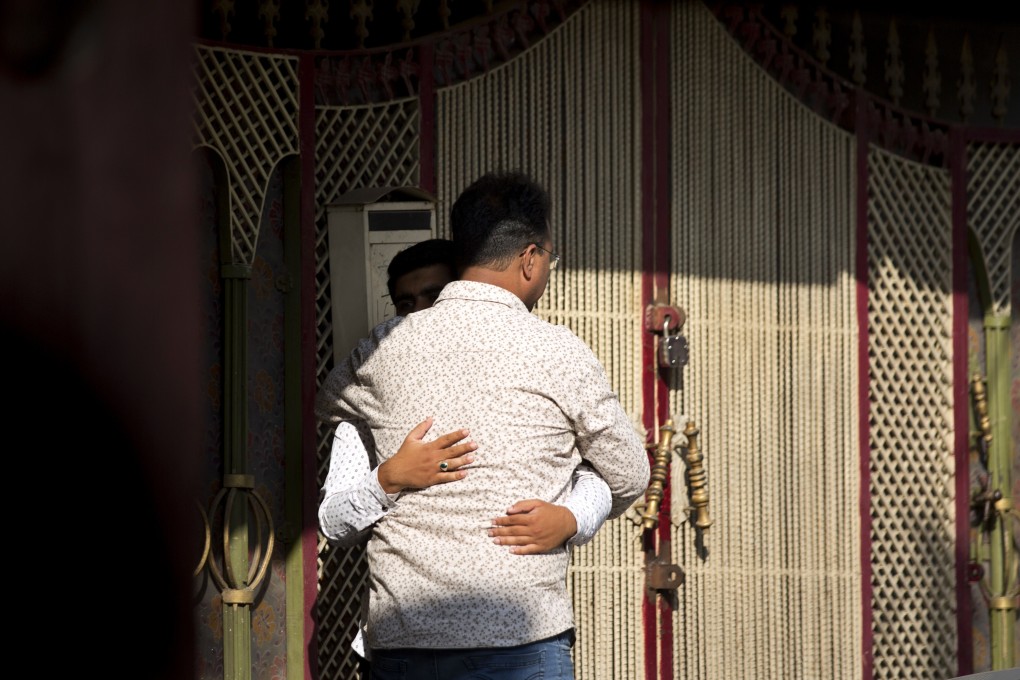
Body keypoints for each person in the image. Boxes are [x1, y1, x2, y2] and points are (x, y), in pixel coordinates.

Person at [315, 170, 650, 680]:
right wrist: (573, 516)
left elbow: (329, 404)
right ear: (531, 259)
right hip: (521, 642)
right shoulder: (560, 352)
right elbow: (628, 472)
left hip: (408, 641)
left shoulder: (382, 349)